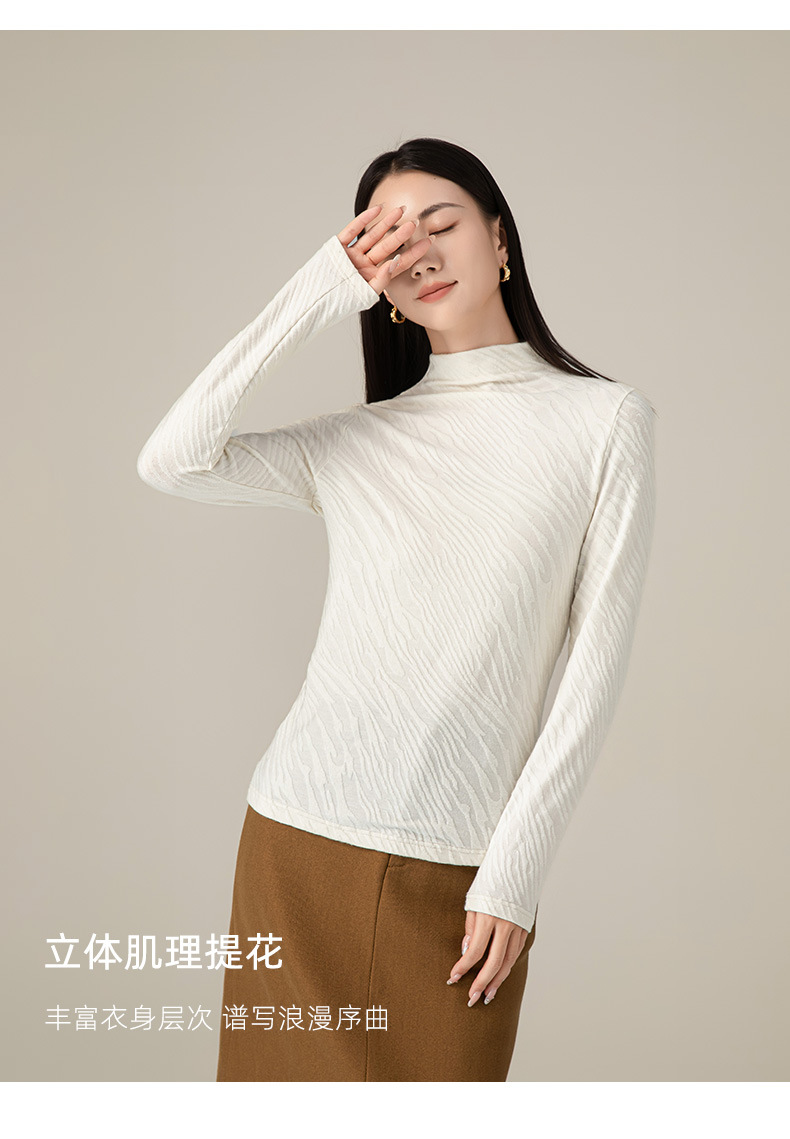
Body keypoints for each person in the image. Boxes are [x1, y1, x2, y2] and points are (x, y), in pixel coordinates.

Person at [136, 137, 657, 1081]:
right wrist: (317, 287)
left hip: (461, 871)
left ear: (500, 239)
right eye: (387, 241)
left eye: (440, 224)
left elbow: (594, 668)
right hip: (297, 845)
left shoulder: (604, 421)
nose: (418, 251)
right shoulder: (358, 442)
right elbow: (172, 459)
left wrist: (515, 873)